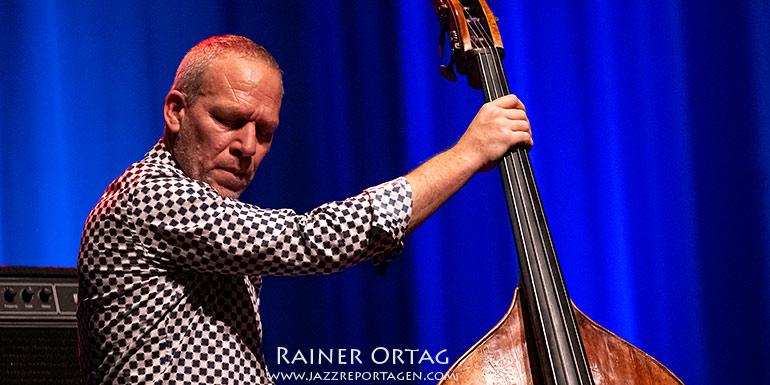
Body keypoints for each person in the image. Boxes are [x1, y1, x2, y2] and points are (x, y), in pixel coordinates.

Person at [77, 35, 532, 384]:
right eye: (230, 120)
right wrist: (468, 153)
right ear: (176, 111)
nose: (248, 147)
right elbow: (311, 241)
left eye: (266, 132)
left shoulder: (207, 209)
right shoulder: (148, 197)